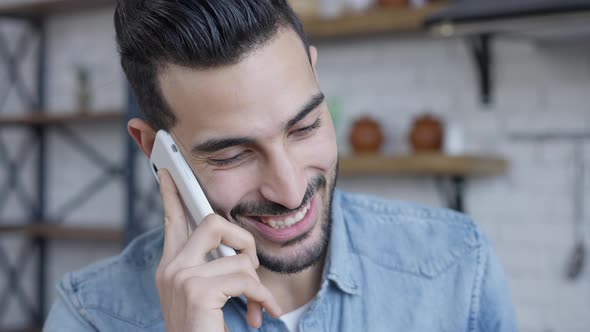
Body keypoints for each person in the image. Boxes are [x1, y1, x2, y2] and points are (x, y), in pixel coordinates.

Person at [44, 0, 517, 331]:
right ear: (155, 151)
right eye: (233, 155)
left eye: (306, 126)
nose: (290, 191)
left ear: (315, 72)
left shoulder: (457, 262)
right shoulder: (93, 316)